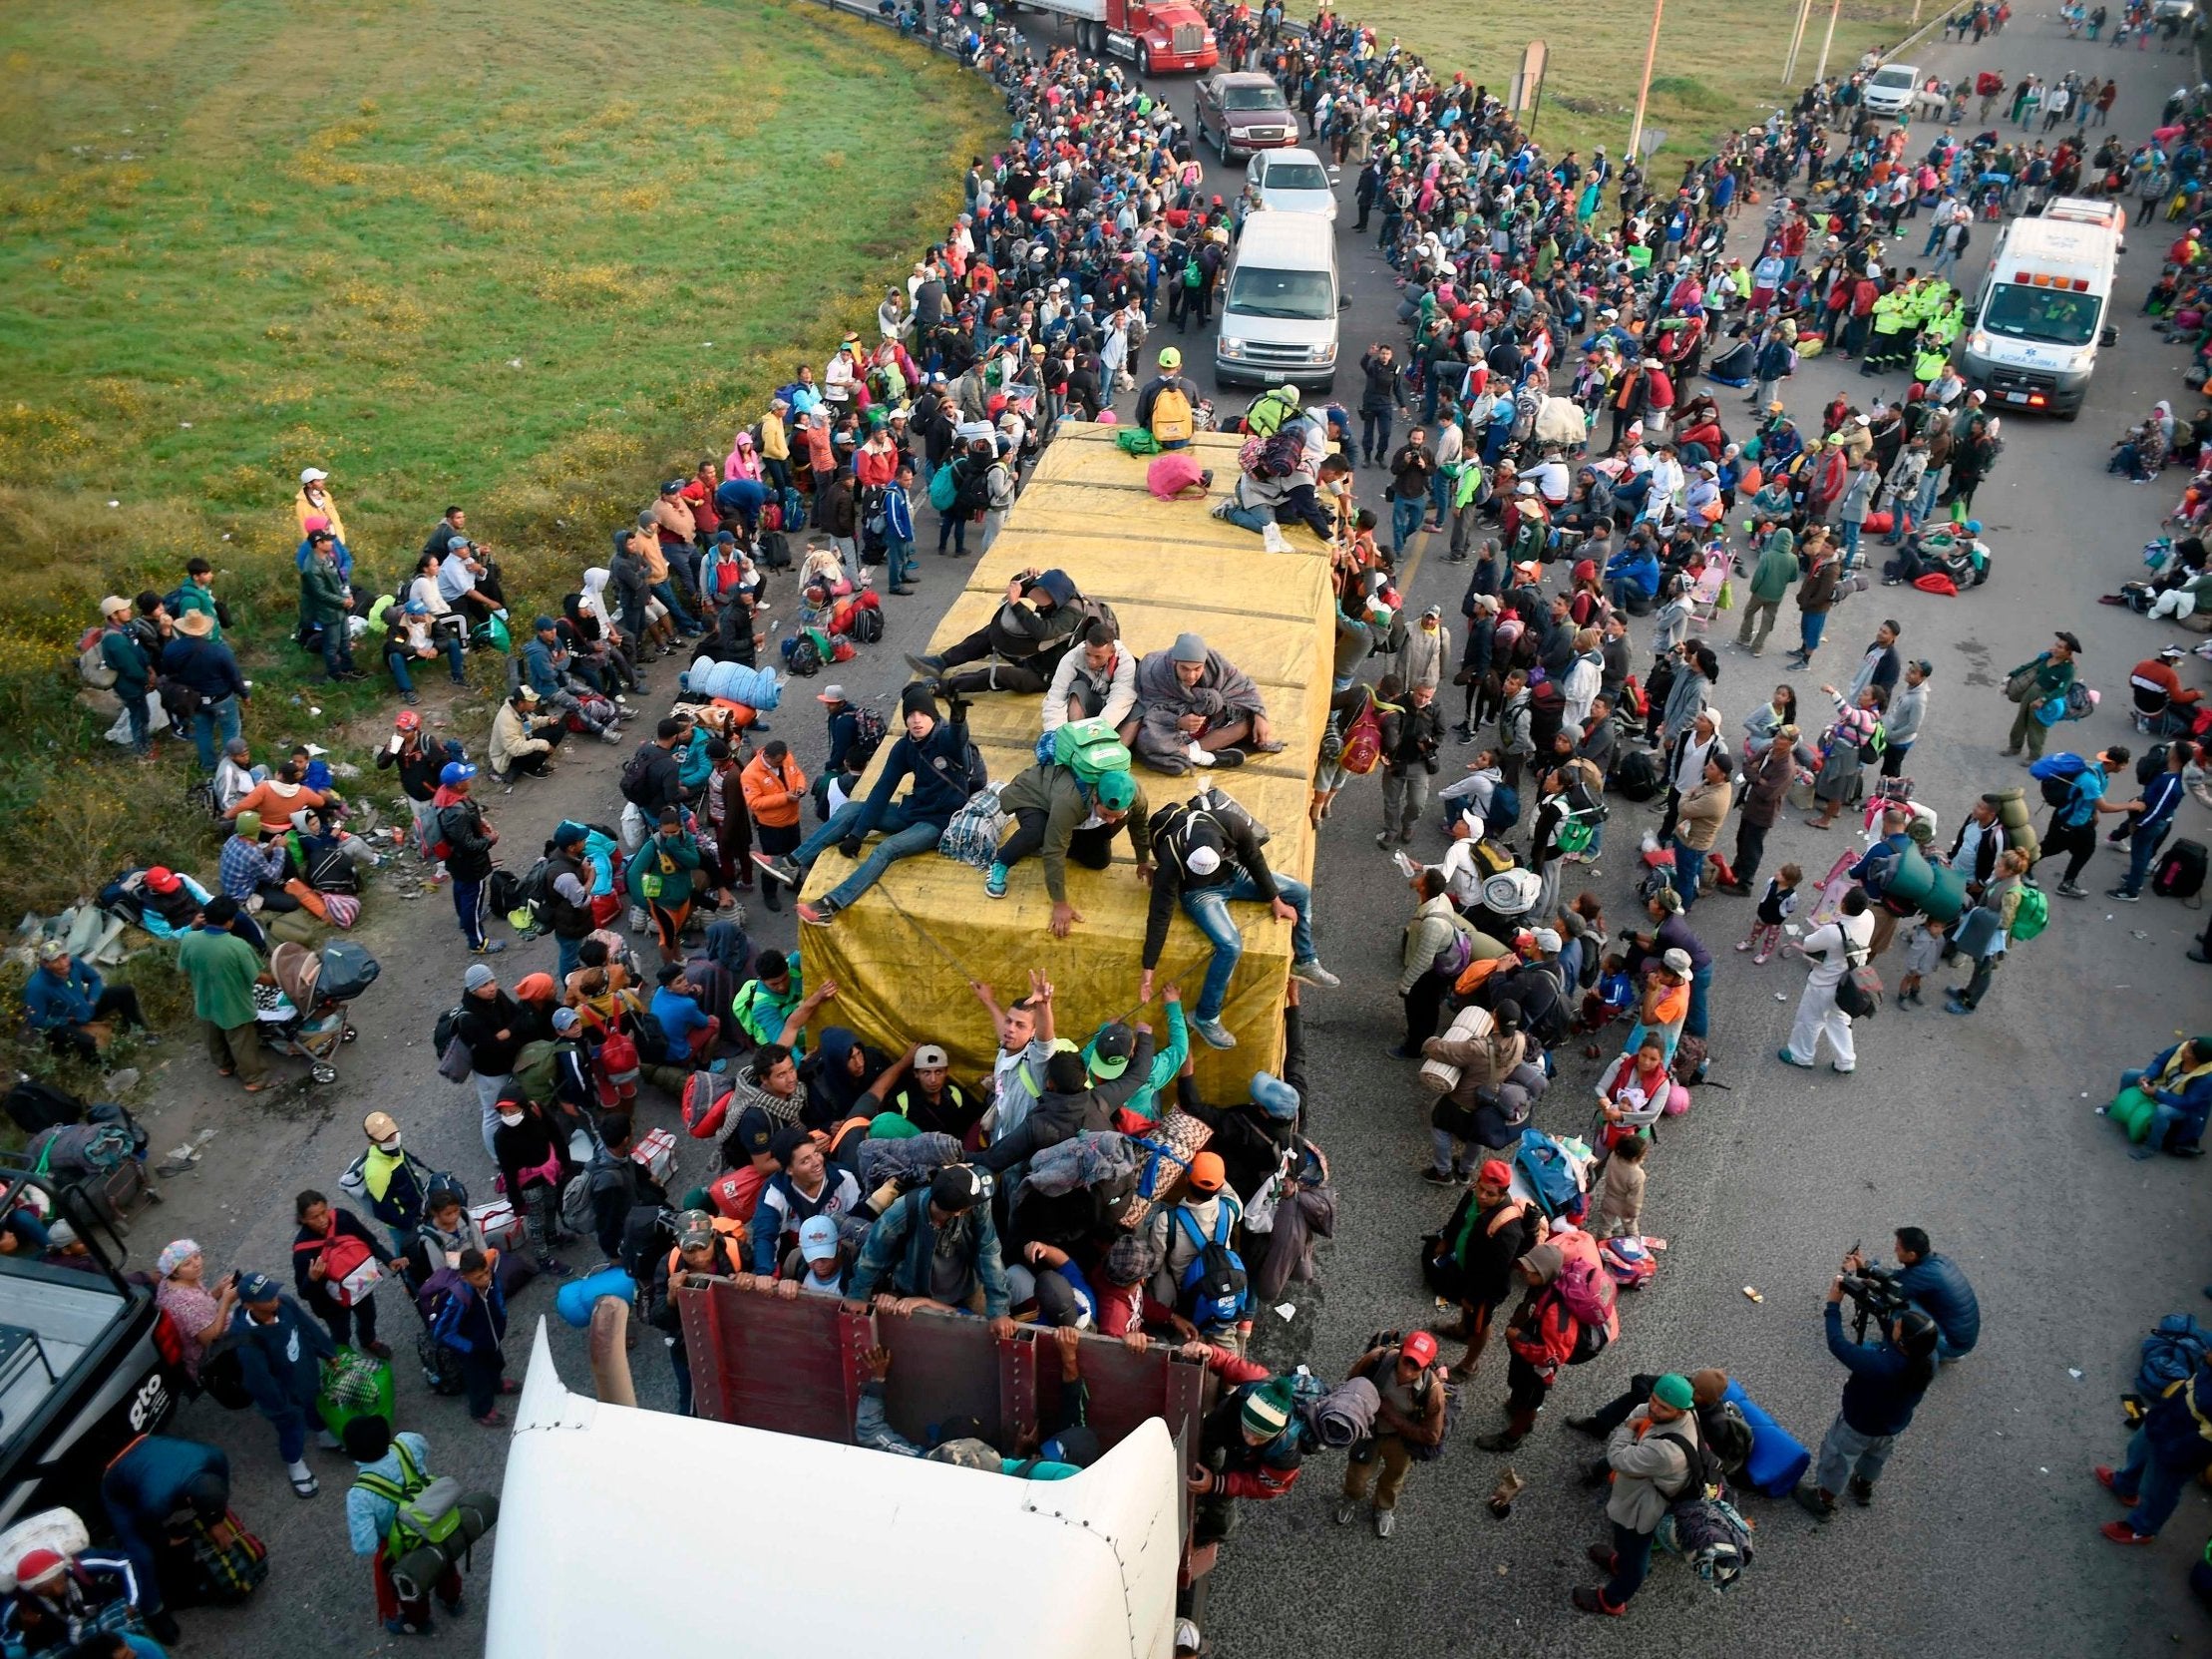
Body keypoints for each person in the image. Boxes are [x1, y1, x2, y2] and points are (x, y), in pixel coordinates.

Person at [1141, 786, 1337, 1049]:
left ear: (1222, 847)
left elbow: (1253, 858)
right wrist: (1148, 969)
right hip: (1198, 893)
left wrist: (1275, 899)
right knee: (1230, 946)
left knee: (1300, 892)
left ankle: (1306, 960)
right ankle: (1206, 1016)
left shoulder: (1229, 823)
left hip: (1231, 874)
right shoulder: (1171, 856)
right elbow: (1159, 914)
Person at [760, 685, 972, 927]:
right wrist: (857, 834)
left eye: (922, 714)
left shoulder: (944, 739)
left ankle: (831, 905)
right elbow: (882, 789)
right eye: (910, 715)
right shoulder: (905, 747)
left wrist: (958, 720)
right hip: (915, 809)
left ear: (933, 716)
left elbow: (957, 741)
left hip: (939, 821)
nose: (916, 721)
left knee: (887, 848)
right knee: (850, 810)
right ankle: (791, 863)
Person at [1795, 1263, 1941, 1518]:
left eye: (1898, 1327)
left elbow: (1838, 1344)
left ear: (1902, 1341)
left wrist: (1833, 1305)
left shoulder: (1880, 1365)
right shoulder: (1928, 1358)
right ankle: (1864, 1486)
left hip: (1858, 1425)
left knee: (1838, 1459)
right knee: (1875, 1457)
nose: (1894, 1325)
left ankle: (1823, 1499)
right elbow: (1893, 1337)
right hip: (1891, 1426)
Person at [1573, 1372, 1706, 1616]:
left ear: (1680, 1411)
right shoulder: (1685, 1412)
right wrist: (1638, 1418)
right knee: (1626, 1540)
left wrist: (1627, 1430)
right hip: (1642, 1492)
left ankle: (1612, 1600)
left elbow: (1618, 1458)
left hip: (1645, 1506)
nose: (1654, 1409)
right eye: (1654, 1399)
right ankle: (1620, 1562)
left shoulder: (1668, 1453)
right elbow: (1641, 1409)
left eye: (1663, 1408)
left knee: (1636, 1550)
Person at [845, 1164, 1014, 1335]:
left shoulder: (978, 1205)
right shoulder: (903, 1210)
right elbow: (874, 1254)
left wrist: (999, 1310)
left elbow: (989, 1251)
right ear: (959, 1211)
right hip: (914, 1293)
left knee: (988, 1336)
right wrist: (858, 1294)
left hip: (968, 1287)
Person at [988, 757, 1151, 930]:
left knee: (1098, 860)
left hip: (1075, 810)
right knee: (1037, 832)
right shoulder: (1069, 801)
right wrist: (1060, 904)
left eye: (1117, 815)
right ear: (1095, 798)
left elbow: (1140, 826)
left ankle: (1060, 832)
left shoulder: (1136, 795)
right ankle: (1002, 860)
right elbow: (1054, 850)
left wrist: (1143, 860)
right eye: (1106, 814)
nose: (1111, 821)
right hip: (1034, 797)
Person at [99, 1432, 229, 1645]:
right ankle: (153, 1610)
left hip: (147, 1450)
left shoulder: (215, 1457)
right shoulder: (156, 1501)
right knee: (142, 1554)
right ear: (188, 1498)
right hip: (116, 1482)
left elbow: (218, 1496)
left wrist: (216, 1521)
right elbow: (144, 1525)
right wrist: (166, 1540)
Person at [343, 1415, 466, 1636]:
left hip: (404, 1545)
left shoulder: (359, 1495)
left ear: (352, 1454)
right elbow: (425, 1448)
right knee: (445, 1563)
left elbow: (366, 1546)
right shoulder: (407, 1442)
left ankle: (418, 1622)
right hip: (434, 1521)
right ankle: (453, 1601)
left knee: (411, 1585)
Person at [227, 1272, 337, 1497]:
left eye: (273, 1292)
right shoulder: (247, 1340)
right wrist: (280, 1408)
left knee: (313, 1401)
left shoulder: (285, 1303)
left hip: (304, 1372)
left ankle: (322, 1432)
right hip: (284, 1392)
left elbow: (307, 1327)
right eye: (267, 1298)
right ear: (249, 1305)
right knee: (291, 1426)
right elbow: (260, 1382)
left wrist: (327, 1352)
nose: (274, 1299)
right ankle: (294, 1462)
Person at [1334, 1331, 1448, 1537]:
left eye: (1417, 1366)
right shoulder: (1378, 1359)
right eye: (1407, 1360)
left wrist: (1391, 1415)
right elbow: (1351, 1383)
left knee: (1394, 1477)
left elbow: (1432, 1436)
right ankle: (1351, 1498)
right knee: (1357, 1475)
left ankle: (1384, 1507)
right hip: (1370, 1430)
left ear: (1427, 1367)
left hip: (1401, 1440)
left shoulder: (1433, 1391)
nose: (1408, 1370)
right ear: (1401, 1351)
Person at [2097, 1351, 2212, 1545]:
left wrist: (2176, 1451)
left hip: (2185, 1445)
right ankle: (2125, 1485)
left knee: (2159, 1487)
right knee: (2138, 1450)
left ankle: (2142, 1528)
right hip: (2168, 1417)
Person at [1125, 632, 1282, 775]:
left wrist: (1259, 715)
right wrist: (1177, 722)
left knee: (1248, 724)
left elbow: (1244, 687)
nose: (1191, 675)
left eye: (1197, 669)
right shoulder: (1154, 671)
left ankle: (1189, 752)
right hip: (1172, 729)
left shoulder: (1215, 664)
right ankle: (1206, 757)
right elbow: (1150, 708)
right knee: (1147, 740)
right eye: (1184, 669)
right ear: (1174, 663)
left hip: (1210, 722)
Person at [290, 1189, 400, 1358]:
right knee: (340, 1331)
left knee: (368, 1317)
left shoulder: (342, 1218)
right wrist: (313, 1278)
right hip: (331, 1303)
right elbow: (304, 1292)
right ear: (303, 1219)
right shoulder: (302, 1251)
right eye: (314, 1217)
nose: (322, 1220)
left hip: (359, 1285)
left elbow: (369, 1240)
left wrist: (388, 1259)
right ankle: (344, 1355)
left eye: (323, 1212)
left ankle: (368, 1340)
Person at [178, 898, 268, 1093]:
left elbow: (183, 970)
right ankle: (253, 1079)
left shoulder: (189, 939)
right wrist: (279, 980)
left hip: (205, 1000)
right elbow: (257, 977)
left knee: (214, 1037)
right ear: (229, 921)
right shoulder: (237, 946)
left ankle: (225, 1066)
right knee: (242, 1042)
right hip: (234, 1004)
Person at [1780, 888, 1875, 1073]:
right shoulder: (1869, 918)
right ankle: (1846, 1061)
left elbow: (1808, 943)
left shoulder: (1833, 932)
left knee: (1810, 1019)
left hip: (1825, 983)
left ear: (1844, 904)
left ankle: (1801, 1056)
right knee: (1840, 1020)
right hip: (1851, 983)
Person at [423, 1248, 516, 1426]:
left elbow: (498, 1299)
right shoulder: (459, 1298)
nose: (485, 1279)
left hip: (490, 1338)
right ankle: (481, 1411)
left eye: (486, 1272)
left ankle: (496, 1384)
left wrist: (501, 1319)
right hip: (471, 1349)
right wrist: (469, 1348)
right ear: (465, 1278)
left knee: (496, 1363)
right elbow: (443, 1332)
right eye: (478, 1278)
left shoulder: (491, 1280)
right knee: (477, 1380)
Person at [1858, 1229, 1981, 1360]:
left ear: (1911, 1255)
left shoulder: (1923, 1274)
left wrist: (1864, 1280)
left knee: (1895, 1306)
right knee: (1905, 1300)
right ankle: (1940, 1349)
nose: (1895, 1250)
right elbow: (1899, 1277)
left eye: (1898, 1248)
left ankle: (1887, 1350)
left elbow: (1891, 1291)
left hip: (1952, 1344)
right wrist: (1868, 1267)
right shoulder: (1935, 1261)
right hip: (1961, 1337)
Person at [21, 941, 148, 1063]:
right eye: (55, 960)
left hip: (84, 1008)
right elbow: (37, 1021)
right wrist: (66, 1020)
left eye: (64, 956)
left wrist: (92, 1000)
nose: (63, 963)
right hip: (65, 1022)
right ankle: (101, 1067)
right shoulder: (36, 987)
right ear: (45, 964)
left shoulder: (74, 963)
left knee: (125, 991)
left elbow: (94, 979)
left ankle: (140, 1032)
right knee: (86, 1041)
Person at [2106, 738, 2195, 903]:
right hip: (2155, 821)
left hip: (2150, 823)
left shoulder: (2170, 782)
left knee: (2139, 855)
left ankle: (2131, 890)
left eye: (2171, 750)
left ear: (2175, 756)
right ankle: (2135, 879)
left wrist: (2138, 824)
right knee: (2143, 853)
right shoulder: (2172, 776)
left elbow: (2156, 809)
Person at [431, 761, 504, 954]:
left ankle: (465, 920)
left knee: (460, 888)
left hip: (455, 861)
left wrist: (478, 820)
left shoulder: (445, 795)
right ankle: (478, 942)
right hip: (469, 864)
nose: (470, 779)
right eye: (465, 778)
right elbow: (469, 844)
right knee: (473, 896)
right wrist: (490, 840)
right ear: (457, 784)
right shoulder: (457, 812)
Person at [2115, 1036, 2212, 1161]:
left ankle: (2151, 1146)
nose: (2184, 1049)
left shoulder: (2206, 1079)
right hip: (2164, 1085)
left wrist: (2157, 1094)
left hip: (2185, 1107)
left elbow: (2188, 1102)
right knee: (2130, 1074)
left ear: (2198, 1060)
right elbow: (2160, 1061)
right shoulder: (2182, 1048)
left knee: (2163, 1111)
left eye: (2189, 1051)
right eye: (2187, 1045)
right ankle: (2117, 1105)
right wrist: (2148, 1075)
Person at [2002, 630, 2080, 764]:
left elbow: (2061, 690)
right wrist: (2012, 674)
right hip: (2031, 692)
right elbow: (2030, 666)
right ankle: (2014, 747)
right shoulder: (2046, 657)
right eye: (2056, 645)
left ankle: (2034, 756)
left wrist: (2043, 699)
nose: (2055, 648)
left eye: (2060, 647)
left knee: (2036, 726)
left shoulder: (2067, 669)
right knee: (2021, 719)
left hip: (2046, 699)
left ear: (2068, 653)